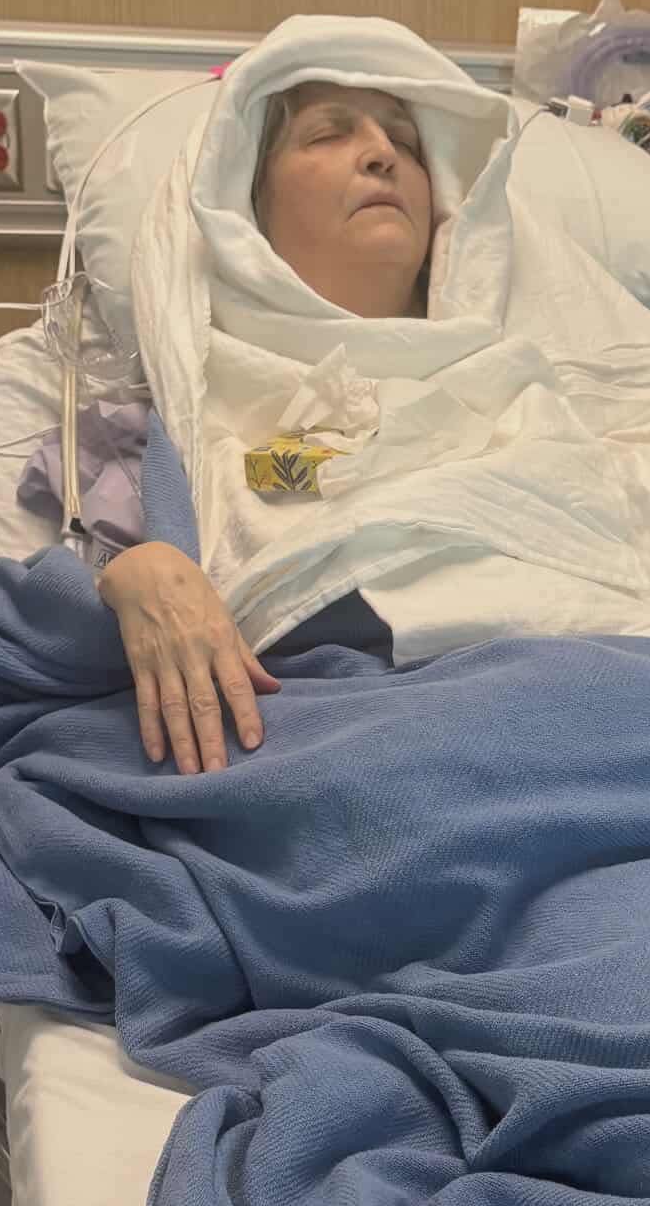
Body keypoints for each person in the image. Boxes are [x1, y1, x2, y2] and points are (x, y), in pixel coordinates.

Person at [97, 83, 433, 774]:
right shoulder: (186, 420)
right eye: (328, 134)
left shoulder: (561, 385)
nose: (382, 154)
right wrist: (128, 577)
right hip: (350, 738)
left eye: (405, 141)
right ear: (248, 214)